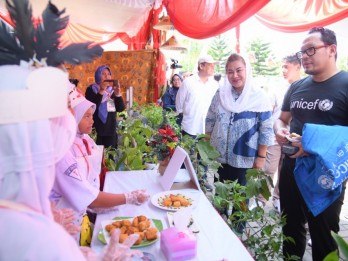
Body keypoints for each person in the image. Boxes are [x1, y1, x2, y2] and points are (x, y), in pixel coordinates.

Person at [274, 27, 348, 261]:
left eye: (311, 50)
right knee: (291, 229)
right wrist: (279, 131)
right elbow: (281, 118)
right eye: (302, 52)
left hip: (325, 176)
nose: (304, 56)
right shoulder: (297, 87)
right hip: (290, 170)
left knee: (324, 236)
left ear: (332, 50)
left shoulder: (345, 84)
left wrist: (313, 146)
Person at [51, 90, 150, 245]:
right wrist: (128, 197)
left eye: (92, 115)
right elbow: (86, 196)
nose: (92, 120)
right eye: (86, 116)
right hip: (66, 223)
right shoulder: (63, 150)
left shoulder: (85, 139)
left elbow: (91, 179)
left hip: (79, 215)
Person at [206, 52, 273, 197]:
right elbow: (210, 118)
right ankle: (221, 219)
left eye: (239, 70)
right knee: (221, 197)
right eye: (230, 72)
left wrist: (261, 157)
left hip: (245, 160)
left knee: (241, 201)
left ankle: (238, 221)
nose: (234, 75)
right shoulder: (221, 94)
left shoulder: (259, 97)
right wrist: (206, 147)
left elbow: (266, 130)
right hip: (220, 157)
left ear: (247, 70)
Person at [262, 54, 301, 211]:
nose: (283, 70)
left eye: (287, 67)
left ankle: (278, 198)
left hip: (294, 139)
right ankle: (260, 200)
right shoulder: (277, 88)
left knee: (284, 171)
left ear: (298, 67)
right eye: (282, 66)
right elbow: (268, 112)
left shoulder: (304, 87)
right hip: (275, 136)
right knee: (269, 169)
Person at [176, 54, 219, 137]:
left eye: (214, 66)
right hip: (190, 129)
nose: (213, 68)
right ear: (201, 66)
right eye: (210, 65)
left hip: (208, 131)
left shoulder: (215, 85)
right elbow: (179, 106)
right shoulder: (188, 82)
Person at [85, 65, 126, 149]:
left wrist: (118, 94)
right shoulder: (91, 89)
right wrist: (101, 90)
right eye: (103, 74)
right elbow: (92, 107)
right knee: (98, 158)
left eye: (108, 74)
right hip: (96, 130)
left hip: (110, 131)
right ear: (98, 75)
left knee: (110, 158)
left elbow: (120, 108)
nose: (106, 76)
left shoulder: (111, 91)